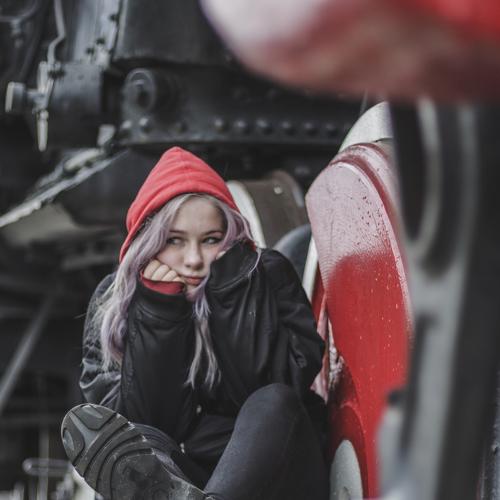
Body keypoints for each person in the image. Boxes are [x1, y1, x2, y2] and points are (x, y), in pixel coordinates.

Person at [60, 147, 328, 500]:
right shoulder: (114, 302)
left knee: (273, 399)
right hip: (191, 476)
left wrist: (231, 292)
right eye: (174, 240)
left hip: (280, 477)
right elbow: (144, 430)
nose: (193, 259)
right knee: (132, 456)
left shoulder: (266, 274)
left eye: (211, 240)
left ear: (230, 237)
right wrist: (160, 313)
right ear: (148, 241)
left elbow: (278, 397)